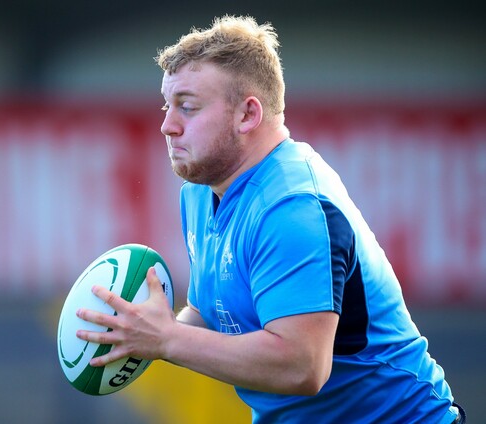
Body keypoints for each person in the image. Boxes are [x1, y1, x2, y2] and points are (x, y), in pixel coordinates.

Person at [76, 15, 465, 423]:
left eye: (187, 107)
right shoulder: (200, 192)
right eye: (167, 105)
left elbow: (302, 366)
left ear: (248, 115)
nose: (167, 126)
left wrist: (166, 338)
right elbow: (212, 315)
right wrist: (142, 329)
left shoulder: (292, 207)